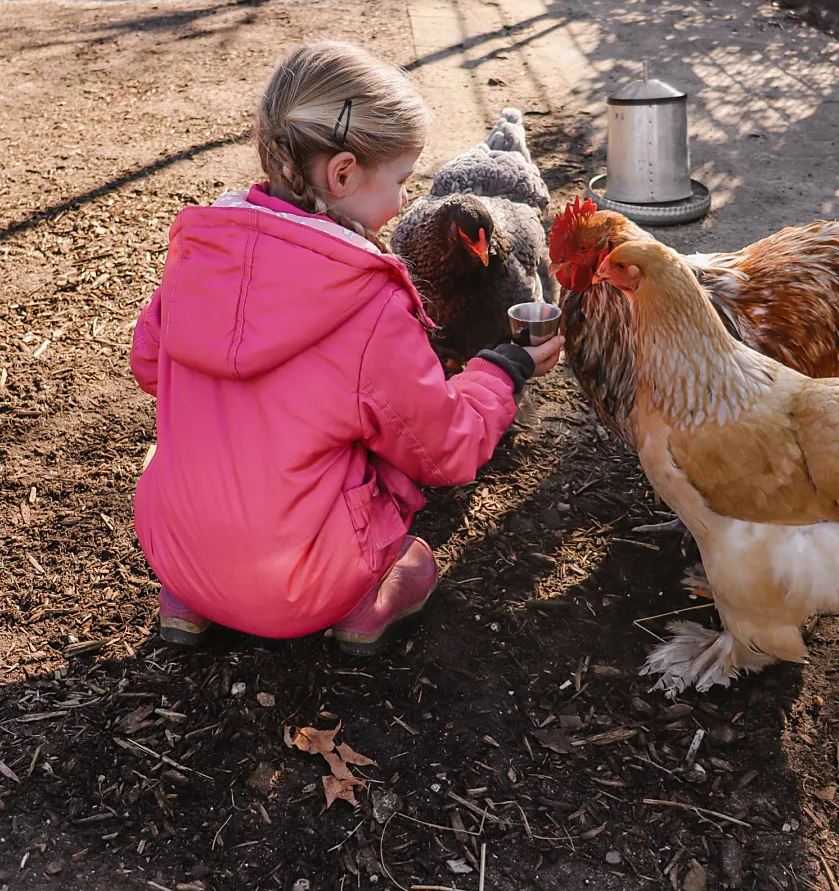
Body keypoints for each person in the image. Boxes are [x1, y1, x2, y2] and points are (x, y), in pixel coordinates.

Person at [129, 39, 564, 655]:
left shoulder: (196, 259)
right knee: (403, 527)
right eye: (402, 181)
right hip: (304, 587)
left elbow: (150, 366)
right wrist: (502, 369)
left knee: (189, 440)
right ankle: (362, 604)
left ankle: (194, 598)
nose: (405, 201)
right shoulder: (369, 306)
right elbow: (442, 451)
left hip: (174, 553)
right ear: (341, 173)